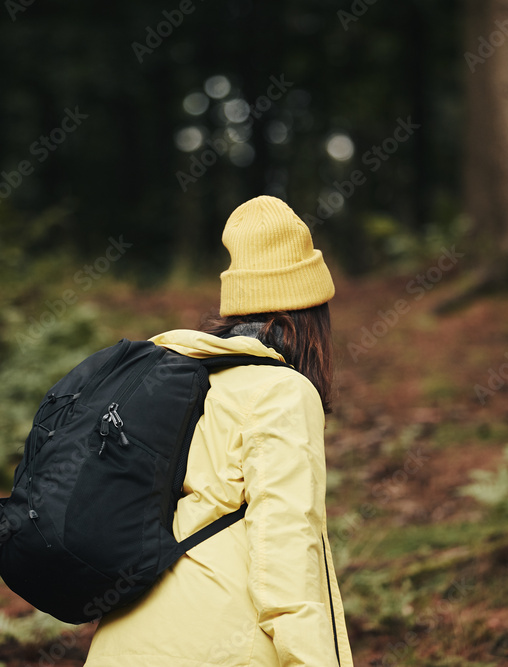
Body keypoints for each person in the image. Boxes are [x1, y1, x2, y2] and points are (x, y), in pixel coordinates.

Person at [85, 195, 353, 666]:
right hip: (217, 649)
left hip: (120, 643)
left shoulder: (182, 379)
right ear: (313, 316)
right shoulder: (284, 392)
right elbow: (288, 553)